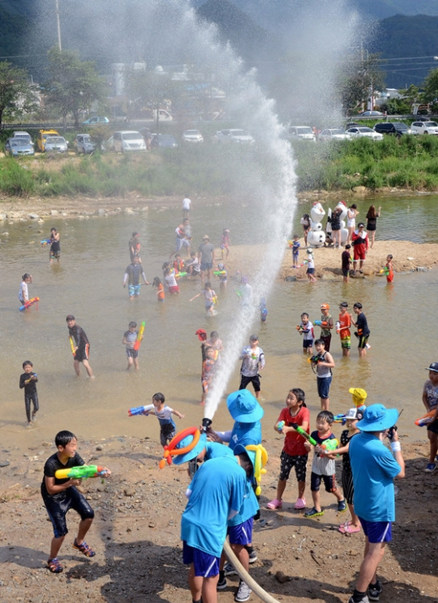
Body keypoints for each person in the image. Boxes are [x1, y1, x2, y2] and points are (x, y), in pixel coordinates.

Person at [177, 432, 248, 603]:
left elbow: (189, 493)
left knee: (195, 567)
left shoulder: (208, 465)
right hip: (209, 529)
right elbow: (235, 510)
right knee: (211, 578)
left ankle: (196, 600)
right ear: (247, 465)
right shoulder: (238, 473)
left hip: (189, 522)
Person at [349, 404, 405, 603]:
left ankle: (372, 585)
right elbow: (400, 472)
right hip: (378, 509)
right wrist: (395, 444)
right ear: (383, 428)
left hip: (362, 504)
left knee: (370, 544)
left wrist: (381, 437)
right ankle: (358, 595)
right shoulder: (379, 450)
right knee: (376, 552)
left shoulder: (356, 440)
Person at [41, 430, 111, 573]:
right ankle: (52, 559)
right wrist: (70, 483)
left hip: (68, 489)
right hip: (53, 497)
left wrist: (101, 472)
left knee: (88, 514)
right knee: (61, 532)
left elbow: (86, 471)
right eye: (72, 445)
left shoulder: (74, 457)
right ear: (61, 448)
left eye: (76, 445)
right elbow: (50, 489)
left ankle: (79, 542)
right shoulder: (51, 463)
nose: (75, 448)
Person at [267, 388, 310, 511]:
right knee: (283, 475)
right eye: (288, 397)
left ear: (300, 402)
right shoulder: (285, 411)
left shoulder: (304, 412)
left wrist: (287, 428)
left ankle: (301, 498)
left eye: (291, 398)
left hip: (301, 450)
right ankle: (278, 499)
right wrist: (278, 428)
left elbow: (304, 426)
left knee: (300, 476)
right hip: (288, 449)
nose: (288, 400)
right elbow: (276, 425)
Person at [303, 410, 346, 518]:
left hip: (328, 468)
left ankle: (341, 498)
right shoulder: (313, 434)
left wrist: (324, 452)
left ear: (330, 425)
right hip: (316, 467)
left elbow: (334, 456)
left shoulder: (332, 439)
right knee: (314, 487)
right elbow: (310, 448)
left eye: (322, 423)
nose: (319, 425)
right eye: (318, 422)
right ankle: (317, 508)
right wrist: (308, 446)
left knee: (331, 488)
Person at [331, 407, 363, 534]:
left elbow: (347, 449)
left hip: (355, 470)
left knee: (351, 498)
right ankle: (354, 519)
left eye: (352, 420)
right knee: (347, 495)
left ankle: (356, 523)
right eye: (348, 420)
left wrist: (331, 451)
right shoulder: (345, 433)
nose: (349, 423)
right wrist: (331, 454)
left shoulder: (359, 435)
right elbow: (340, 450)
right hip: (345, 468)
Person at [422, 362, 438, 472]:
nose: (431, 376)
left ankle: (431, 463)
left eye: (434, 373)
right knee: (430, 436)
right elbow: (424, 397)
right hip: (432, 413)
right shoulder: (427, 383)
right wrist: (428, 410)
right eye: (430, 373)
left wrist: (433, 418)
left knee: (432, 437)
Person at [311, 338, 335, 411]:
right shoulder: (318, 355)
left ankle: (326, 410)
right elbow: (316, 363)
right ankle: (322, 409)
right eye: (316, 346)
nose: (317, 348)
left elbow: (333, 364)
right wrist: (313, 364)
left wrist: (322, 363)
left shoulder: (327, 354)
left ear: (323, 346)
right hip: (319, 376)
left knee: (325, 395)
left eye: (319, 346)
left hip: (326, 377)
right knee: (321, 395)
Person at [239, 335, 265, 400]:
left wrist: (262, 364)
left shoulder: (259, 350)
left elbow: (262, 359)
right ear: (249, 341)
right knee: (242, 387)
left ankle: (258, 397)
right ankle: (240, 397)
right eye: (252, 340)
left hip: (254, 373)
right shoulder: (245, 349)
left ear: (257, 342)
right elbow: (239, 357)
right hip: (245, 373)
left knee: (257, 386)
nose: (253, 341)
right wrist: (244, 356)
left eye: (255, 340)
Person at [19, 360, 39, 427]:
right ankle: (29, 421)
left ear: (32, 368)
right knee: (27, 408)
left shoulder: (33, 374)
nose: (27, 369)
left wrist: (33, 378)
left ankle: (33, 413)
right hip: (27, 395)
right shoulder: (22, 376)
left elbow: (36, 380)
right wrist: (24, 383)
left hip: (34, 393)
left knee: (36, 407)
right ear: (23, 368)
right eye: (26, 367)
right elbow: (20, 386)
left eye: (29, 367)